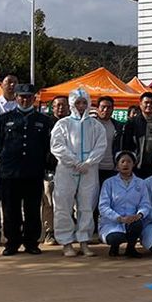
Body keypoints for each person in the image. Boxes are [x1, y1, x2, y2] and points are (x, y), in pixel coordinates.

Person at [0, 83, 51, 256]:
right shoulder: (3, 119)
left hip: (33, 172)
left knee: (32, 209)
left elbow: (46, 146)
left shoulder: (43, 120)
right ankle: (12, 242)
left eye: (28, 97)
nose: (25, 100)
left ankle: (31, 242)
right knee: (10, 209)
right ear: (16, 97)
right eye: (21, 97)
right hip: (10, 172)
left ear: (34, 98)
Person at [50, 88, 108, 257]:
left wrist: (88, 162)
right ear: (72, 103)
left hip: (89, 170)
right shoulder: (63, 124)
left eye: (84, 102)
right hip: (66, 170)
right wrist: (74, 161)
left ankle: (84, 241)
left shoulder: (96, 126)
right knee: (63, 205)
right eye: (78, 103)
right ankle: (66, 242)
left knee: (87, 205)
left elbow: (101, 146)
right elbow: (57, 145)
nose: (81, 106)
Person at [98, 151, 150, 258]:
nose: (125, 164)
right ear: (117, 165)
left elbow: (145, 203)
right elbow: (103, 206)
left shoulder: (141, 183)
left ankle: (131, 248)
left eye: (129, 161)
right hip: (112, 222)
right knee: (115, 238)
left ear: (133, 164)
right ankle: (114, 247)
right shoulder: (109, 183)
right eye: (122, 162)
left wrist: (139, 215)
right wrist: (119, 218)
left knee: (137, 224)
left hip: (132, 220)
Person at [0, 73, 18, 247]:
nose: (12, 85)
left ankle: (12, 234)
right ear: (1, 84)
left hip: (15, 159)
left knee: (11, 200)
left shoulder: (20, 105)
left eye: (15, 82)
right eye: (9, 82)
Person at [41, 95, 70, 245]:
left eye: (63, 105)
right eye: (57, 105)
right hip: (49, 169)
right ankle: (49, 232)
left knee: (67, 202)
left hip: (69, 169)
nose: (60, 108)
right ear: (52, 107)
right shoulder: (45, 123)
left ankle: (66, 231)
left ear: (69, 107)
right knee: (48, 202)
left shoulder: (73, 123)